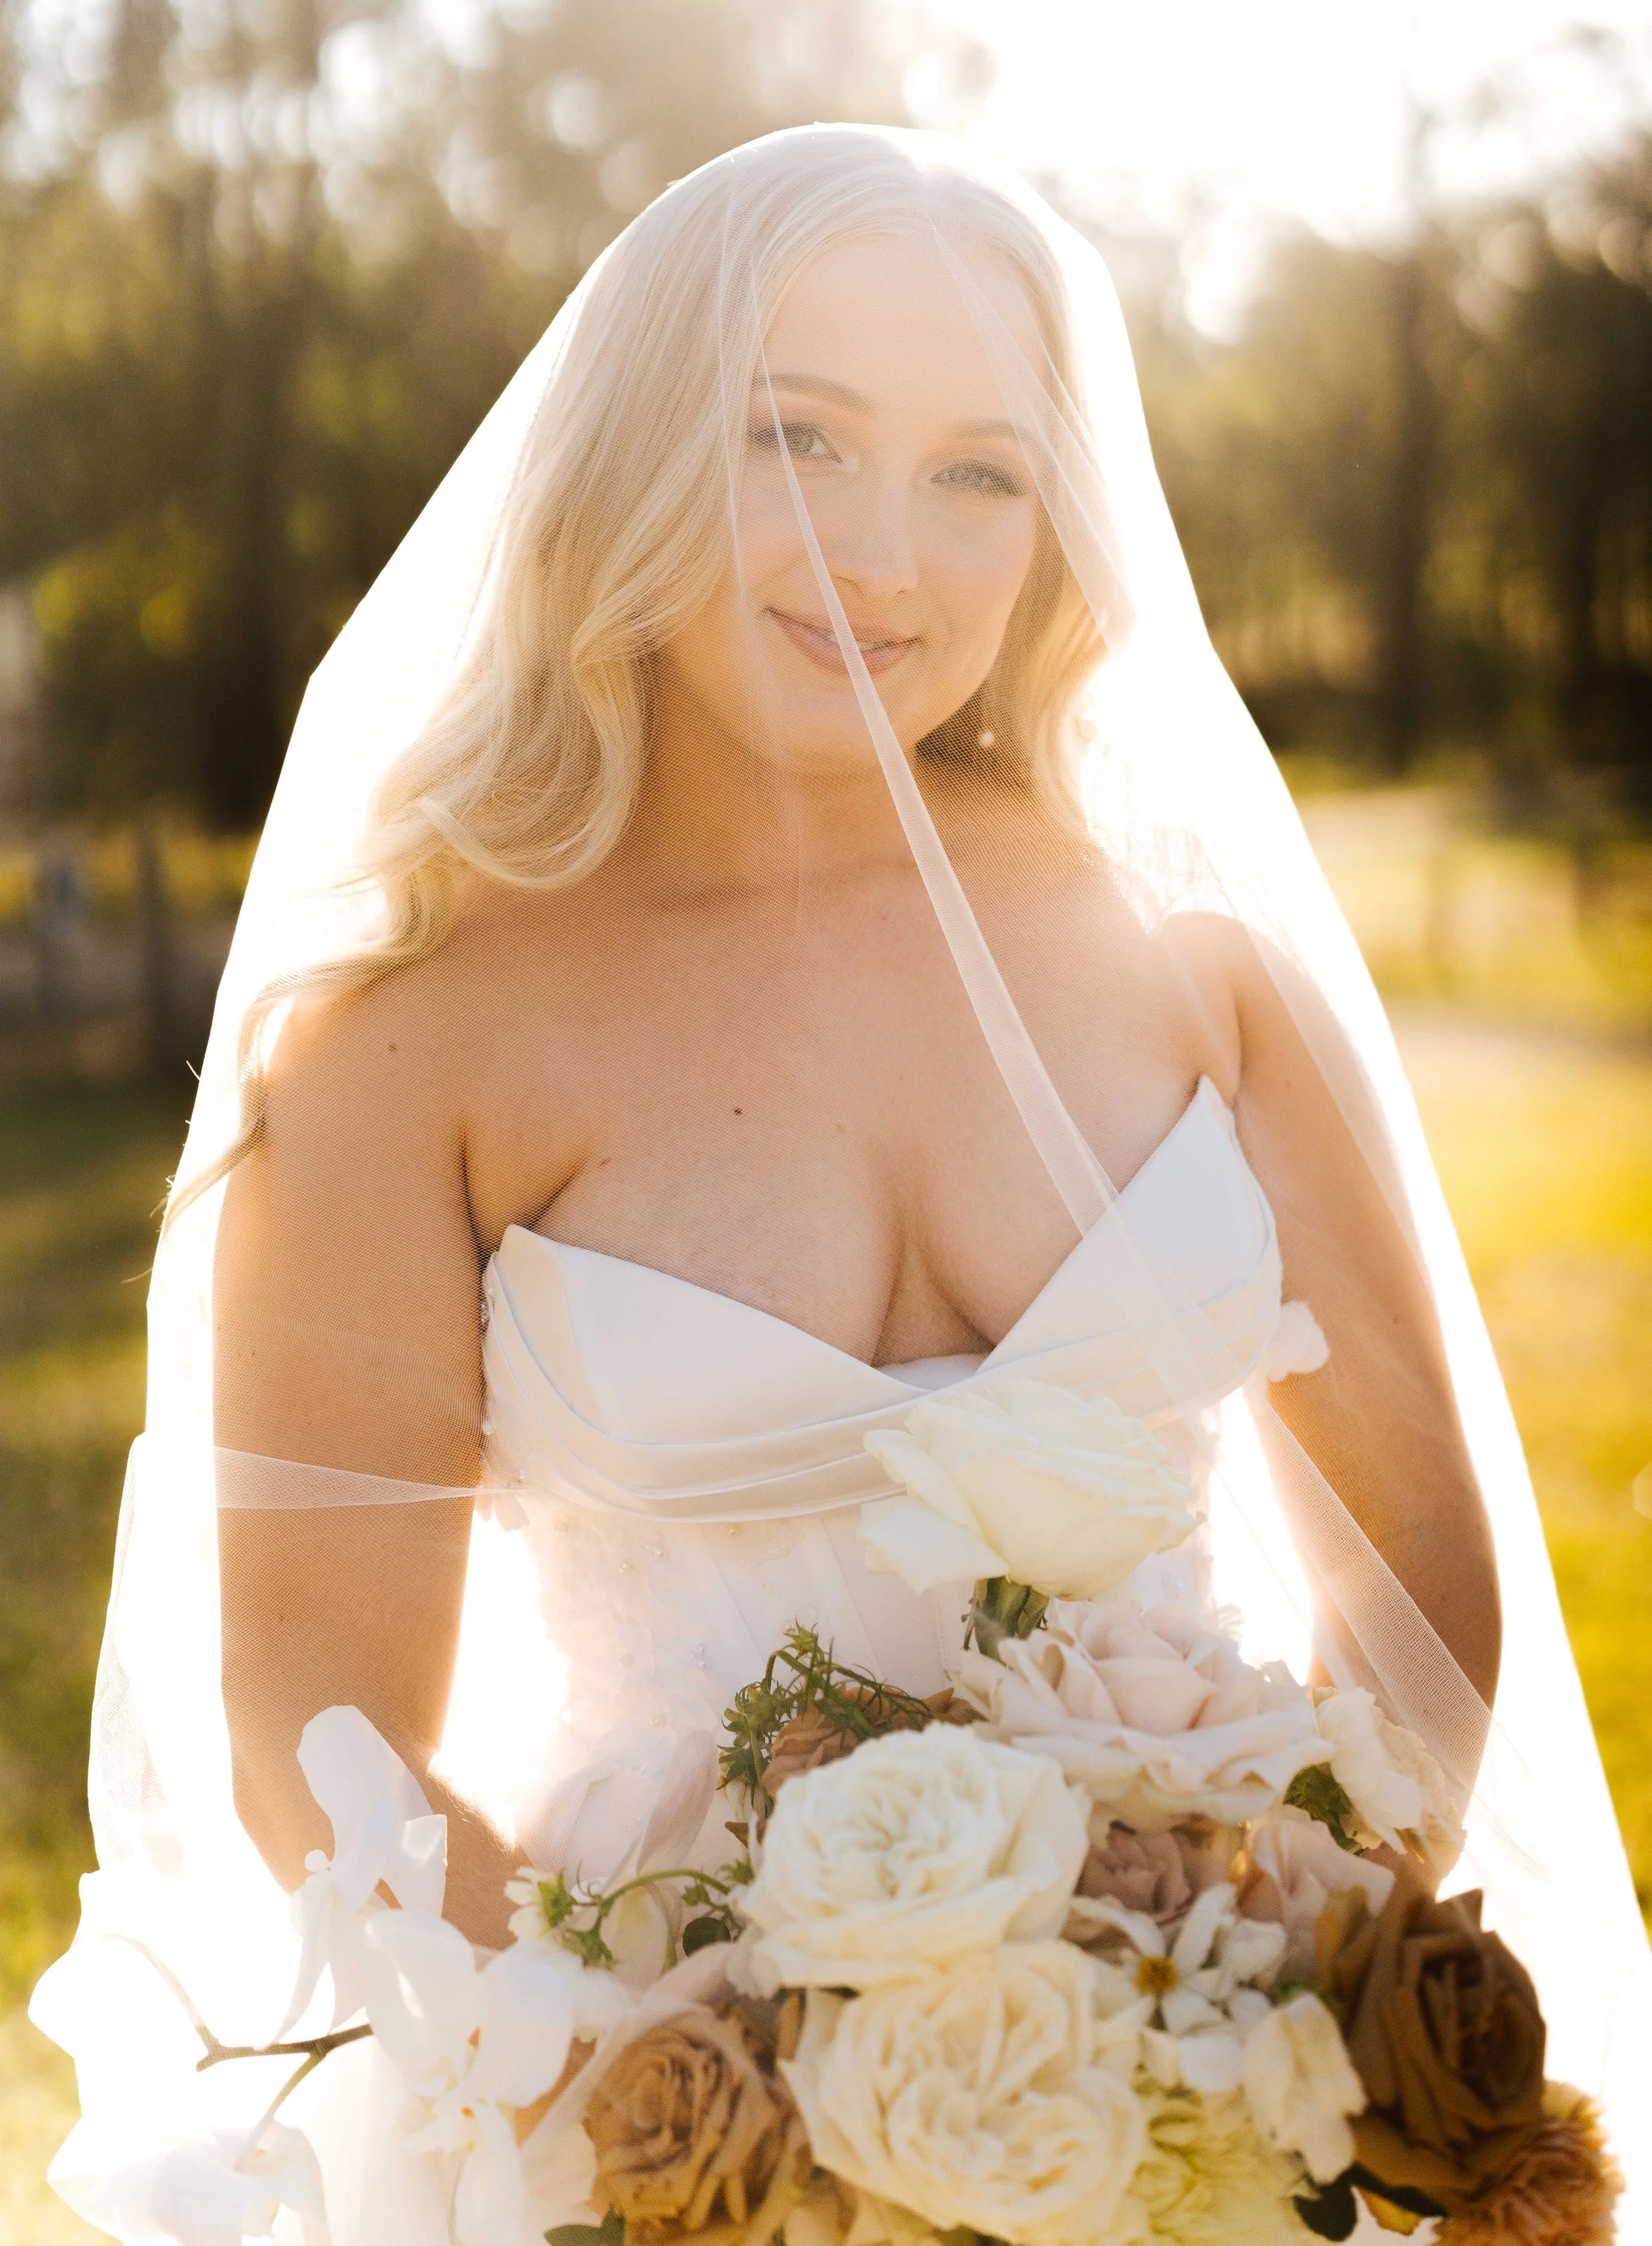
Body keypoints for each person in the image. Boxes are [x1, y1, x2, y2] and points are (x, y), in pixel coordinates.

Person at [32, 127, 1649, 2241]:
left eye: (979, 470)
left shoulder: (1198, 979)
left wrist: (1233, 2006)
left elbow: (1420, 1600)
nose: (885, 554)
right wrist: (719, 2129)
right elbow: (314, 1740)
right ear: (629, 455)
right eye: (795, 437)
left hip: (1200, 2107)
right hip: (629, 2125)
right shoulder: (402, 1057)